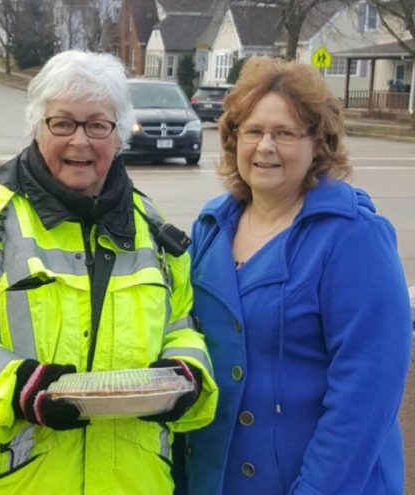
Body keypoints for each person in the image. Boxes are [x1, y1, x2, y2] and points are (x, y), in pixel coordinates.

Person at [0, 50, 218, 494]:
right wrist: (19, 387)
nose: (80, 141)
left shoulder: (153, 232)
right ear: (36, 127)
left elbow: (181, 325)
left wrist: (186, 374)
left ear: (119, 135)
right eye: (62, 123)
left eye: (98, 125)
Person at [183, 56, 412, 494]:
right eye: (252, 131)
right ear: (233, 140)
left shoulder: (353, 238)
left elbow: (365, 396)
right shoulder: (211, 229)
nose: (265, 146)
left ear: (318, 143)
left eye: (284, 133)